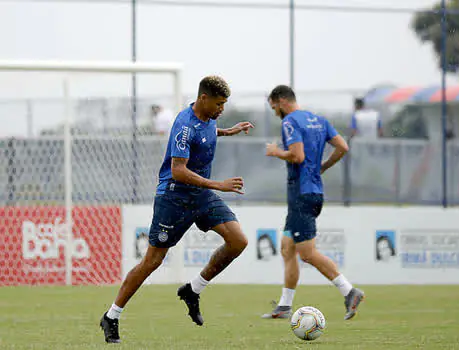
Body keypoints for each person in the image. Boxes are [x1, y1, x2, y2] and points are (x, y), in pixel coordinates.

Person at [100, 76, 254, 343]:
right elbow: (178, 170)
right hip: (174, 198)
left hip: (201, 196)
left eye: (224, 104)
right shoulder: (184, 125)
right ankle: (111, 316)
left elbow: (207, 132)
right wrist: (218, 184)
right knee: (152, 262)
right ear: (204, 98)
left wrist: (229, 131)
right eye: (219, 104)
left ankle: (193, 290)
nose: (222, 109)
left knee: (238, 241)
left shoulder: (210, 117)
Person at [263, 85, 365, 320]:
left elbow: (297, 156)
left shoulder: (290, 122)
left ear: (281, 101)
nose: (275, 111)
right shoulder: (318, 120)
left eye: (274, 107)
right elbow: (342, 146)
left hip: (301, 195)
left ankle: (349, 291)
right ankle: (284, 306)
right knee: (288, 248)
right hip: (313, 192)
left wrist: (276, 152)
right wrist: (322, 167)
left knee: (307, 254)